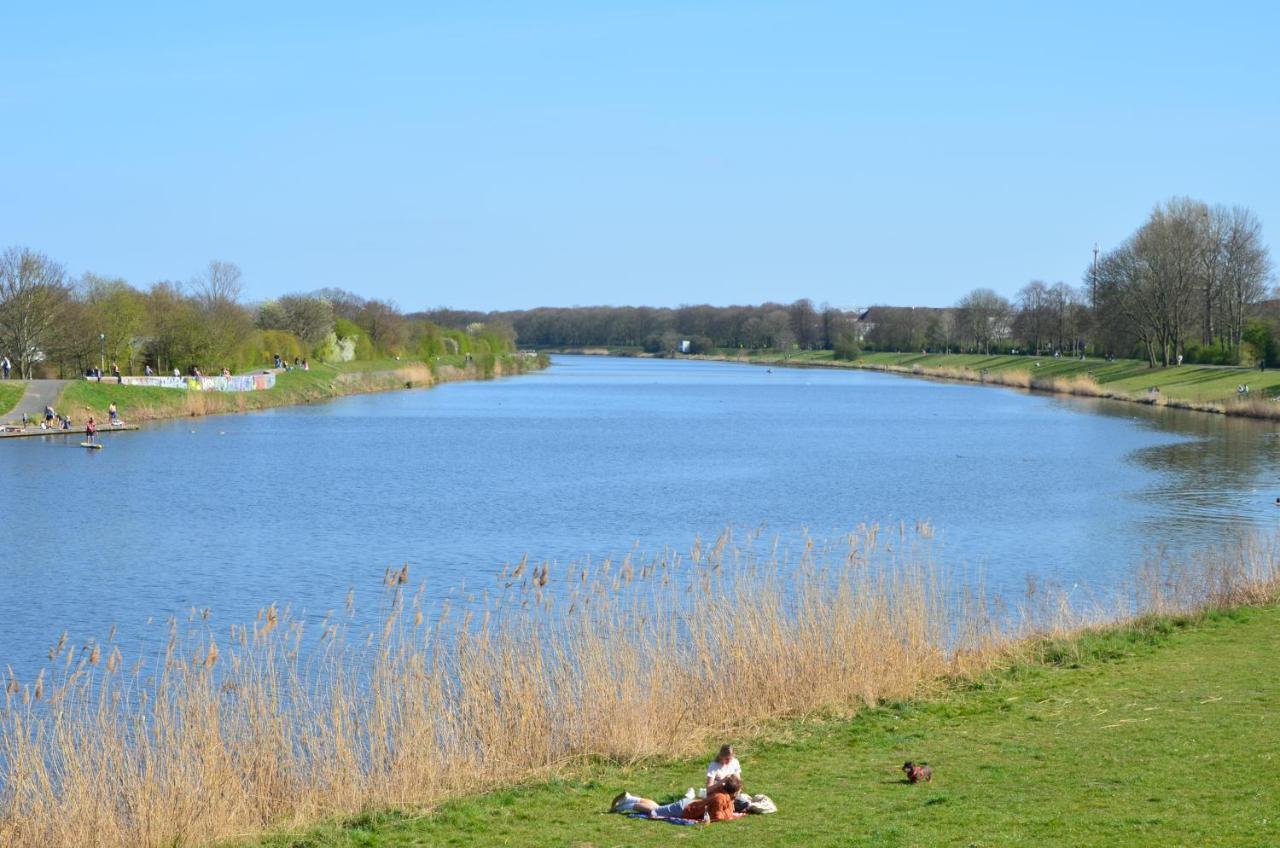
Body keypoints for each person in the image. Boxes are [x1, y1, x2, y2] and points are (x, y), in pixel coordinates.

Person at [619, 775, 744, 822]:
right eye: (739, 791)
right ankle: (627, 805)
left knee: (657, 807)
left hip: (687, 805)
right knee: (654, 812)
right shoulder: (721, 798)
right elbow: (718, 817)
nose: (740, 793)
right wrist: (730, 813)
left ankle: (630, 798)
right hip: (684, 809)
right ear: (733, 792)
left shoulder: (722, 794)